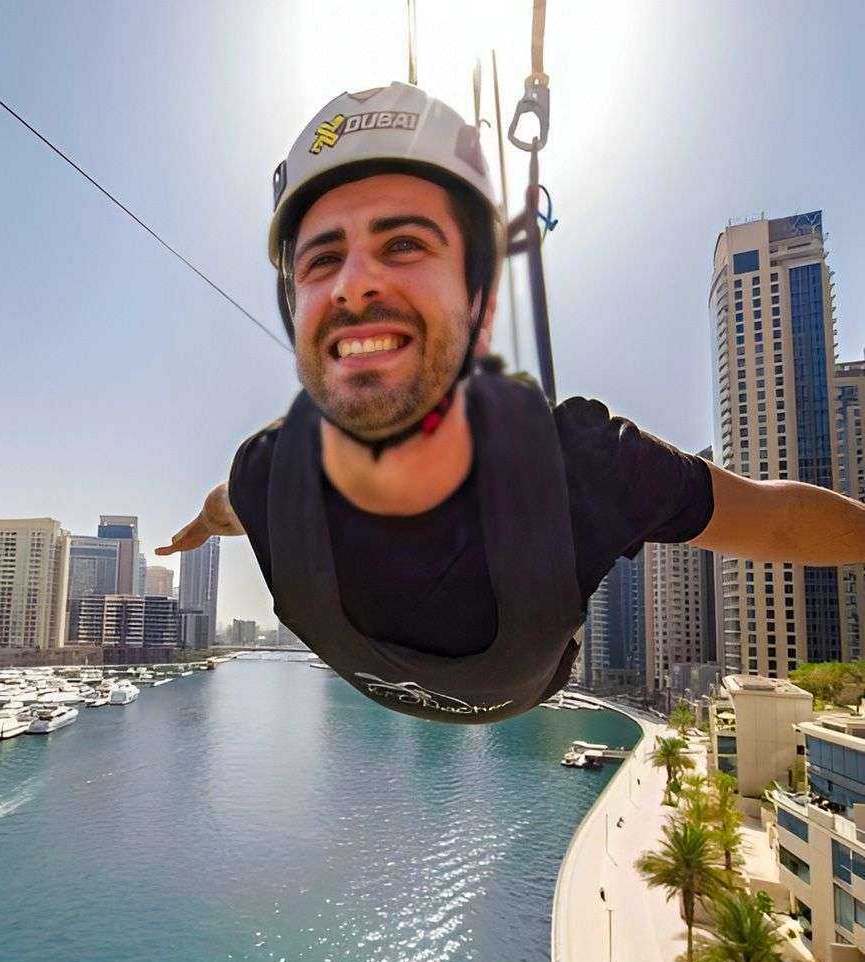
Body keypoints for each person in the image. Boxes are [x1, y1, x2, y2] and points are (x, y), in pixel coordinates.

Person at [157, 82, 865, 724]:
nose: (354, 284)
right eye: (320, 258)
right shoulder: (263, 476)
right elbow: (229, 505)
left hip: (528, 673)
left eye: (403, 242)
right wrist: (204, 520)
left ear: (477, 295)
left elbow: (771, 520)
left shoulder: (581, 469)